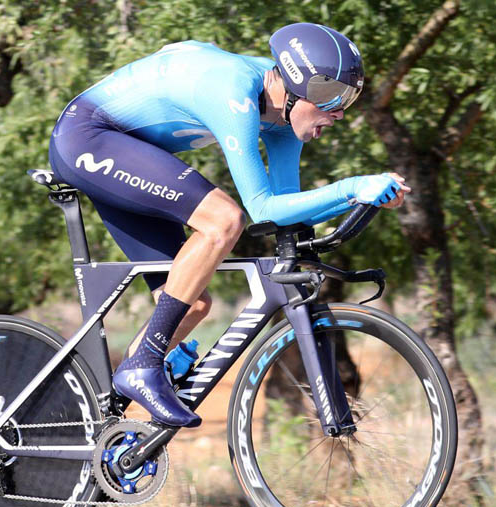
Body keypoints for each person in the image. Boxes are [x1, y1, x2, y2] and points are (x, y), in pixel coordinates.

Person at [47, 23, 411, 427]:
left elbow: (282, 215)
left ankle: (103, 429)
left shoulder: (285, 117)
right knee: (224, 220)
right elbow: (260, 208)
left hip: (128, 151)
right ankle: (144, 364)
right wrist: (354, 187)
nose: (340, 112)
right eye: (332, 97)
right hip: (87, 136)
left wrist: (360, 201)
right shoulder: (233, 94)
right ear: (295, 85)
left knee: (192, 303)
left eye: (349, 99)